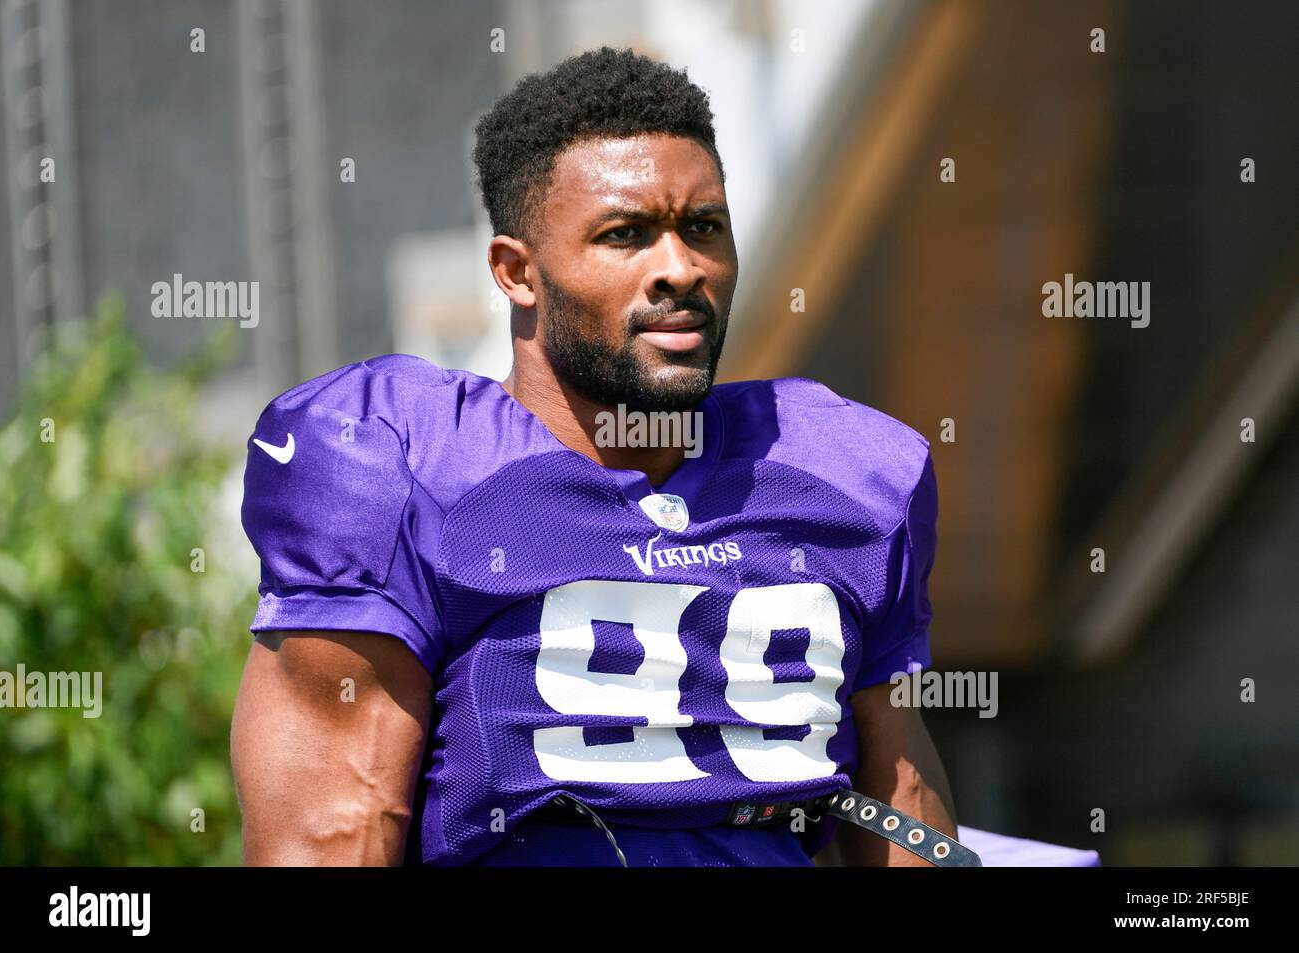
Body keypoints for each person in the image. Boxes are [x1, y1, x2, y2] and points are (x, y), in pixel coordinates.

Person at [231, 45, 959, 867]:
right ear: (516, 273)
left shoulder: (841, 476)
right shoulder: (403, 469)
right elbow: (336, 831)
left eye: (703, 228)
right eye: (627, 235)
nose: (679, 269)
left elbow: (898, 789)